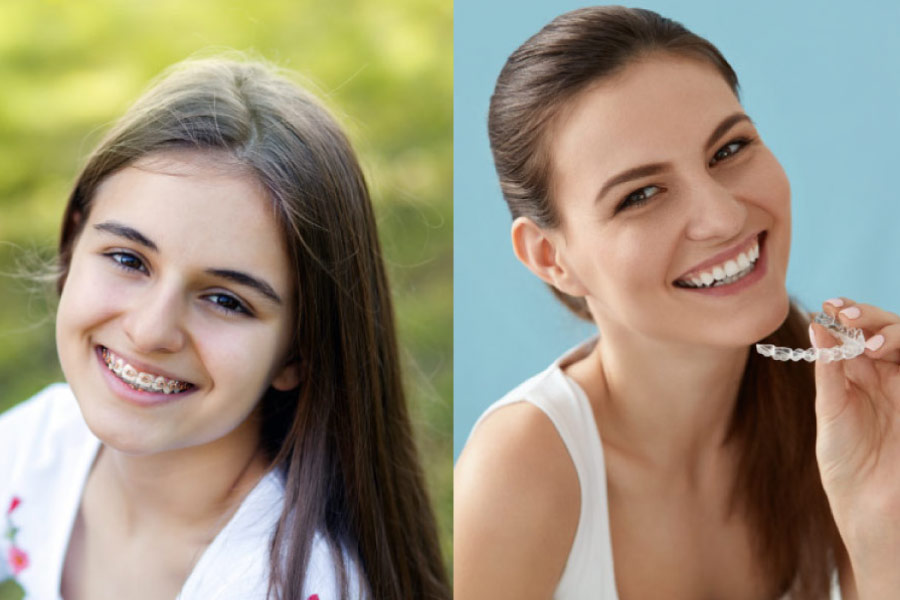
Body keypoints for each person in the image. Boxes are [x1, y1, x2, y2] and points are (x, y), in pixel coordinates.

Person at [455, 6, 900, 599]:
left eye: (728, 150)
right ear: (550, 257)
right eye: (640, 194)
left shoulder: (846, 427)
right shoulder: (522, 470)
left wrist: (881, 527)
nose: (723, 217)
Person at [0, 57, 449, 600]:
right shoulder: (34, 447)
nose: (150, 331)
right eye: (128, 259)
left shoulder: (299, 585)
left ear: (298, 353)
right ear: (75, 242)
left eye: (224, 300)